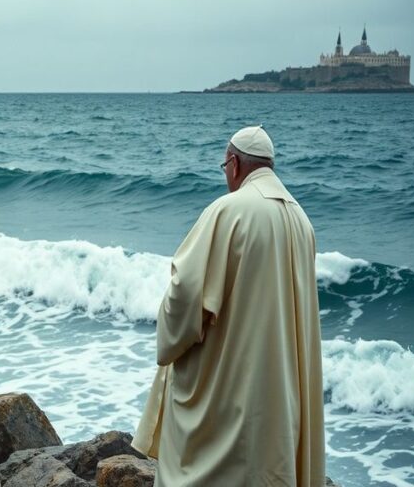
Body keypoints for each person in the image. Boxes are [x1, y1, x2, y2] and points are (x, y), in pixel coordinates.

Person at [133, 126, 324, 485]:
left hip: (233, 379)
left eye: (225, 168)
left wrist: (170, 339)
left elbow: (185, 292)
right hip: (281, 385)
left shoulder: (228, 211)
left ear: (234, 164)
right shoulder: (302, 220)